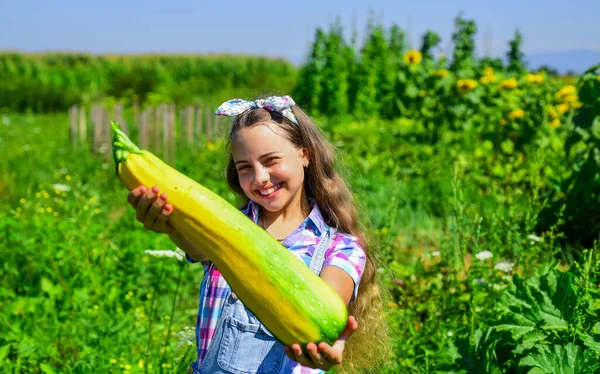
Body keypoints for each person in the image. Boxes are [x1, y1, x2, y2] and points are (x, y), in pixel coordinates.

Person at [127, 96, 386, 373]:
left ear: (305, 154)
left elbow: (329, 305)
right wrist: (168, 222)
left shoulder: (341, 248)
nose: (260, 177)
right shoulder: (224, 227)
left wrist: (326, 345)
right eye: (245, 168)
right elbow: (195, 242)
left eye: (271, 160)